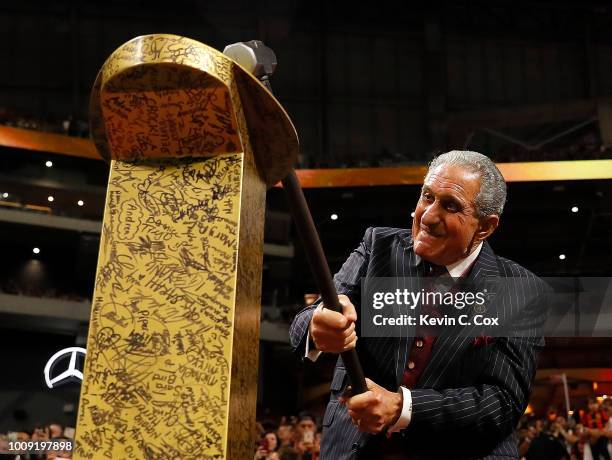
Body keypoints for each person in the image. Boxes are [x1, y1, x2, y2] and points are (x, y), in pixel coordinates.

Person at [290, 151, 549, 459]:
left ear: (485, 227)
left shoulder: (521, 290)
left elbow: (502, 403)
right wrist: (318, 324)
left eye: (450, 205)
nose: (427, 216)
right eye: (427, 196)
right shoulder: (377, 247)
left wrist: (403, 407)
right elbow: (306, 322)